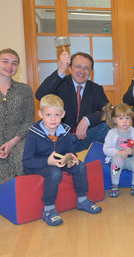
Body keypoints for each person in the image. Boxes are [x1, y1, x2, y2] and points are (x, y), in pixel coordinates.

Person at [23, 94, 102, 226]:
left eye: (57, 115)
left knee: (80, 166)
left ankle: (82, 200)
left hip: (58, 162)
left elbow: (68, 150)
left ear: (63, 114)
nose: (53, 119)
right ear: (40, 114)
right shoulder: (33, 133)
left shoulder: (64, 131)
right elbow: (27, 161)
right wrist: (47, 162)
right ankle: (48, 210)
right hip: (39, 165)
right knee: (55, 172)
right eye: (48, 115)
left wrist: (71, 157)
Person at [35, 51, 110, 152]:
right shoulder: (59, 83)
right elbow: (40, 95)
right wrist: (61, 69)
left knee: (107, 125)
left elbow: (110, 110)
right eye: (78, 66)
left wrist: (87, 120)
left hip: (84, 138)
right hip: (60, 139)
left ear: (91, 71)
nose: (82, 71)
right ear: (70, 68)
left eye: (86, 68)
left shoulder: (96, 89)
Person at [0, 48, 35, 189]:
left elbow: (29, 120)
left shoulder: (25, 90)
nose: (9, 66)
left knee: (22, 160)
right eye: (5, 61)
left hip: (19, 140)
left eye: (14, 63)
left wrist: (12, 142)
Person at [102, 103, 134, 197]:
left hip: (132, 158)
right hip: (119, 157)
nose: (125, 121)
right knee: (117, 161)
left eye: (127, 118)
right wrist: (118, 152)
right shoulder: (111, 133)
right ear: (114, 120)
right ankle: (115, 184)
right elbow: (106, 149)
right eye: (121, 118)